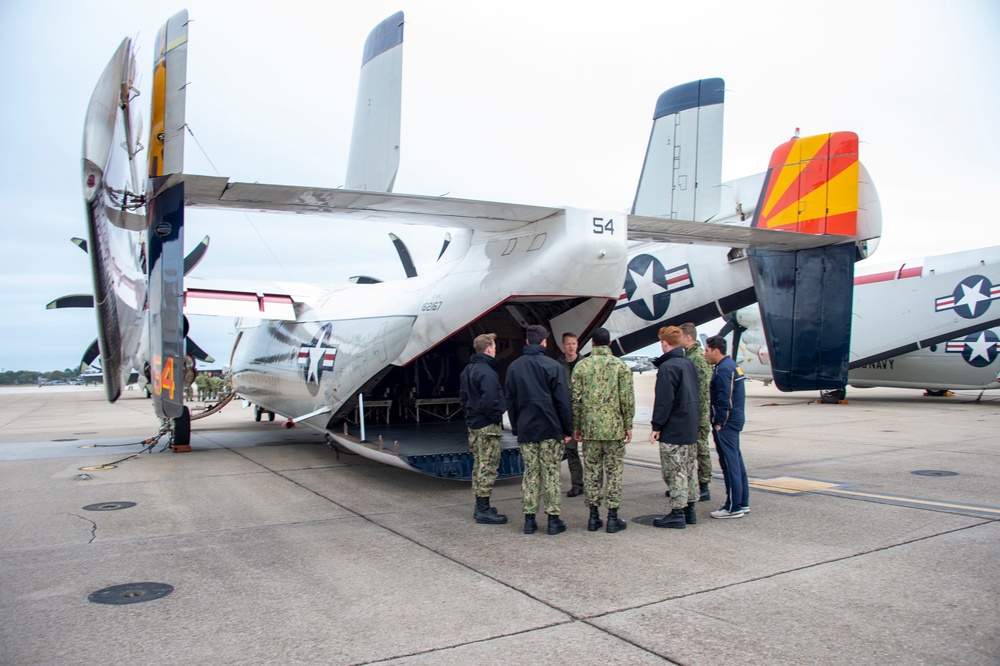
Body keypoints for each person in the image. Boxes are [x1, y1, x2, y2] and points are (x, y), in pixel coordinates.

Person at [505, 324, 574, 535]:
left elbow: (511, 401)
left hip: (526, 429)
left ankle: (529, 520)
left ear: (527, 342)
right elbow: (563, 401)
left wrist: (516, 427)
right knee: (551, 473)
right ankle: (553, 520)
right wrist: (567, 428)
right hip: (550, 429)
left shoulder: (514, 367)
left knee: (530, 474)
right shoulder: (553, 366)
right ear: (544, 342)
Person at [571, 327, 634, 533]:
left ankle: (593, 516)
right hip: (614, 430)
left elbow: (576, 400)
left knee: (592, 472)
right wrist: (628, 425)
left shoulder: (582, 367)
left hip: (590, 429)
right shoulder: (620, 366)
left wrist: (577, 426)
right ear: (609, 344)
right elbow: (627, 399)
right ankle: (613, 518)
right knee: (614, 472)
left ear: (592, 344)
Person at [649, 326, 700, 529]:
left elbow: (664, 400)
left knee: (674, 470)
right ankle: (690, 510)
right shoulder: (689, 364)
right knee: (689, 468)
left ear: (664, 343)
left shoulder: (668, 367)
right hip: (690, 424)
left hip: (674, 426)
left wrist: (656, 425)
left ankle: (677, 512)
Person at [459, 333, 508, 525]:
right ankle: (483, 509)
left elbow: (463, 398)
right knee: (488, 466)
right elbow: (490, 400)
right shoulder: (488, 373)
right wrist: (496, 417)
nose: (495, 350)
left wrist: (470, 416)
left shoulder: (468, 370)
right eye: (494, 347)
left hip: (474, 424)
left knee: (478, 465)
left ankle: (480, 504)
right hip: (487, 426)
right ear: (489, 349)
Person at [704, 335, 749, 519]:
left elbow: (725, 399)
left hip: (727, 423)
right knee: (737, 463)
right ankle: (742, 501)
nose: (704, 354)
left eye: (706, 350)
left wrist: (720, 421)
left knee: (729, 464)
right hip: (734, 420)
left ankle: (733, 506)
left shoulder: (723, 369)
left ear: (716, 350)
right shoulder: (731, 366)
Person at [680, 322, 712, 502]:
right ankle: (686, 485)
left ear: (688, 337)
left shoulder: (698, 359)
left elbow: (701, 389)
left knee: (700, 448)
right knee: (688, 451)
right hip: (691, 411)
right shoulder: (689, 357)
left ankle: (704, 484)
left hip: (699, 412)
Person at [557, 332, 586, 497]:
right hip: (568, 415)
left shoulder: (585, 363)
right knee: (571, 451)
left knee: (591, 453)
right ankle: (577, 485)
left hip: (585, 414)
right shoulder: (557, 365)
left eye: (574, 343)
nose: (571, 347)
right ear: (563, 345)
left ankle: (595, 486)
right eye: (568, 344)